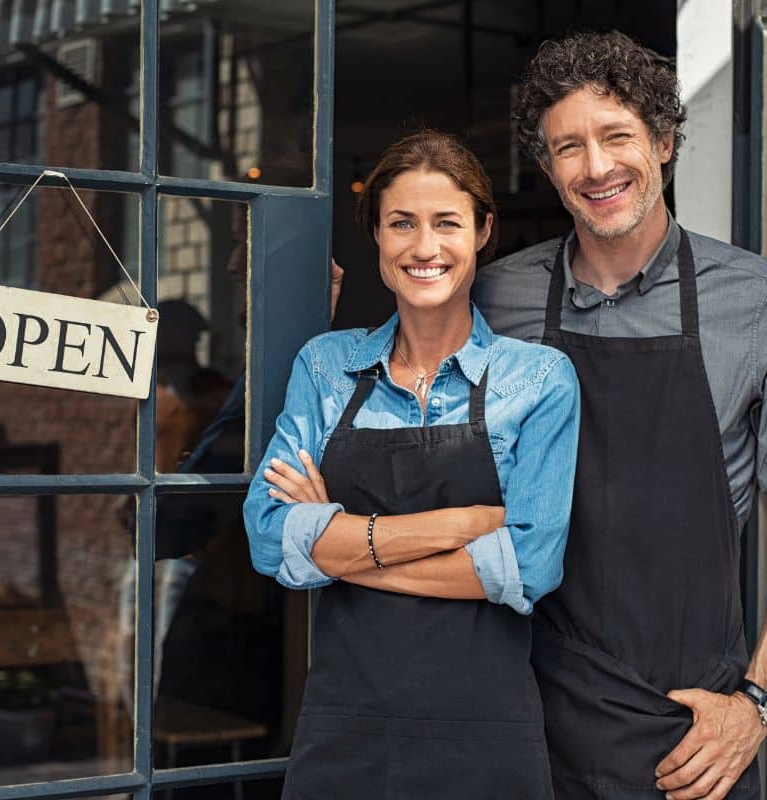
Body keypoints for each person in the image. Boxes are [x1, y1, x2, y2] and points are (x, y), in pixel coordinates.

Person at [473, 30, 767, 800]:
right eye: (567, 147)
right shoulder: (495, 298)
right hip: (523, 709)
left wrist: (757, 705)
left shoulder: (756, 301)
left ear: (662, 141)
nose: (596, 167)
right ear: (547, 167)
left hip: (690, 733)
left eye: (616, 136)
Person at [243, 130, 580, 798]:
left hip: (486, 737)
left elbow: (530, 567)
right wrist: (464, 524)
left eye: (446, 223)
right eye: (401, 223)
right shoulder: (327, 366)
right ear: (376, 236)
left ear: (483, 231)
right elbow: (266, 537)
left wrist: (339, 545)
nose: (424, 248)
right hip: (346, 730)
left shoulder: (539, 380)